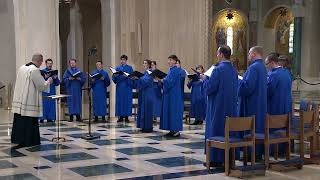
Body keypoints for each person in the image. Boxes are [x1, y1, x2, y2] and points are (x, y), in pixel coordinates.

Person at [201, 45, 238, 167]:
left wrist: (204, 79)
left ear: (221, 54)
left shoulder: (217, 69)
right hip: (230, 107)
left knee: (215, 130)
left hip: (217, 107)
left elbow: (209, 89)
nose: (217, 56)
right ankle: (227, 157)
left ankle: (215, 159)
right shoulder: (233, 70)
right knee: (227, 131)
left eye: (217, 53)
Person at [11, 53, 53, 149]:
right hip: (29, 102)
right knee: (29, 122)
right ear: (39, 61)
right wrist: (48, 81)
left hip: (20, 100)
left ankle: (18, 140)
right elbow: (41, 86)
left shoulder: (22, 68)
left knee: (20, 121)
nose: (41, 64)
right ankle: (29, 141)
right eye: (41, 62)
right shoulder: (34, 70)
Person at [238, 46, 267, 158]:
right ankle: (258, 153)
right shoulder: (263, 67)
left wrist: (239, 82)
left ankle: (250, 154)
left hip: (251, 104)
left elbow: (247, 88)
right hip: (260, 104)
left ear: (254, 54)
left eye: (249, 53)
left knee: (251, 127)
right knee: (258, 127)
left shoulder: (253, 68)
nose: (248, 56)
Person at [159, 55, 184, 137]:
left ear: (175, 61)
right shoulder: (171, 70)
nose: (168, 61)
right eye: (168, 60)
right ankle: (171, 129)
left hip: (174, 95)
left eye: (170, 60)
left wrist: (163, 80)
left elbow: (170, 82)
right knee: (170, 111)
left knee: (174, 112)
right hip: (170, 94)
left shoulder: (176, 70)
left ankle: (176, 130)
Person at [129, 60, 154, 132]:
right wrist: (134, 79)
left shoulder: (150, 72)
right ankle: (143, 126)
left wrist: (139, 78)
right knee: (142, 109)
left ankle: (148, 127)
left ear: (149, 65)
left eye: (146, 63)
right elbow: (140, 83)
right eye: (143, 63)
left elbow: (146, 81)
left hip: (148, 94)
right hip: (143, 93)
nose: (144, 64)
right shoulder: (144, 73)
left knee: (147, 110)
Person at [112, 54, 133, 123]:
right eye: (121, 59)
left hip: (127, 87)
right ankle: (120, 117)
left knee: (127, 101)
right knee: (120, 101)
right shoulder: (117, 68)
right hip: (120, 87)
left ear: (126, 60)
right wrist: (115, 75)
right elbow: (114, 78)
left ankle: (126, 117)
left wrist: (127, 76)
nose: (122, 61)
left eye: (124, 60)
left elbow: (132, 77)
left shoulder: (130, 68)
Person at [40, 59, 60, 123]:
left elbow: (57, 83)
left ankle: (50, 118)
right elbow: (39, 82)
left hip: (51, 90)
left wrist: (56, 78)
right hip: (44, 91)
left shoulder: (54, 72)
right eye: (48, 63)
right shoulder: (42, 72)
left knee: (51, 105)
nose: (50, 65)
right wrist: (45, 77)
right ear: (46, 64)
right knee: (44, 105)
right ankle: (42, 118)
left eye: (51, 63)